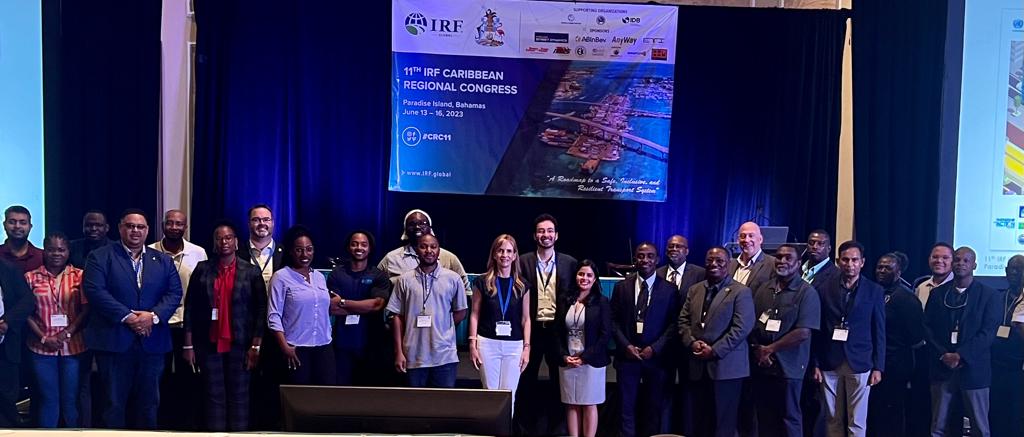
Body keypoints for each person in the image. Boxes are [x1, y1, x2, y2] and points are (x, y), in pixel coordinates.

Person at [82, 209, 183, 429]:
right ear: (120, 228)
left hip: (152, 344)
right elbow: (95, 291)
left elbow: (174, 293)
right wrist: (128, 317)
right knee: (113, 405)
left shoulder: (162, 260)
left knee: (149, 404)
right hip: (114, 342)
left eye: (140, 227)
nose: (135, 231)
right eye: (130, 226)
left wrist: (152, 317)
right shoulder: (100, 256)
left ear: (147, 230)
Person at [182, 221, 267, 431]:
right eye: (219, 238)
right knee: (213, 396)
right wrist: (188, 345)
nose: (224, 242)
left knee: (240, 397)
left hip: (241, 344)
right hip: (208, 343)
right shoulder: (202, 269)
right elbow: (190, 307)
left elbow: (260, 311)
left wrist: (256, 346)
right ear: (214, 243)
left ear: (236, 242)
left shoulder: (251, 271)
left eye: (228, 237)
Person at [923, 247, 999, 437]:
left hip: (974, 369)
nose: (960, 264)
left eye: (966, 261)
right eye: (957, 260)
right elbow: (927, 328)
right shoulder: (938, 294)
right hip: (942, 368)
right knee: (938, 427)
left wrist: (960, 355)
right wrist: (943, 354)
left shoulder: (989, 295)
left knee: (980, 427)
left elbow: (988, 332)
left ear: (974, 265)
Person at [811, 240, 885, 437]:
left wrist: (878, 366)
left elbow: (879, 331)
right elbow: (818, 329)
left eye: (854, 260)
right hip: (829, 360)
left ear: (862, 262)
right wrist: (815, 363)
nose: (850, 264)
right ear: (838, 261)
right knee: (832, 417)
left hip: (860, 361)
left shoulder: (874, 290)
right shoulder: (824, 288)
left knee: (857, 420)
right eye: (845, 260)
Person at [680, 246, 755, 437]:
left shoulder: (741, 292)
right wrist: (692, 342)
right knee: (699, 421)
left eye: (719, 261)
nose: (714, 264)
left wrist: (714, 350)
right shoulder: (695, 289)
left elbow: (742, 328)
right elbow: (683, 320)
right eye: (710, 260)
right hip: (697, 366)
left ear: (728, 264)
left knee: (723, 424)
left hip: (726, 368)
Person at [749, 244, 821, 437]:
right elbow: (752, 323)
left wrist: (770, 349)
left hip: (789, 367)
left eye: (788, 258)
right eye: (779, 257)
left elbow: (803, 332)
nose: (782, 261)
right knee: (764, 417)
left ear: (798, 263)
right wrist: (759, 349)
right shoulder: (764, 288)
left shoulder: (807, 292)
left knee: (789, 418)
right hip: (762, 365)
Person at [517, 213, 578, 435]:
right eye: (541, 231)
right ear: (535, 235)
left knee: (558, 381)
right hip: (531, 330)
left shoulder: (570, 263)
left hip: (557, 331)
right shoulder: (522, 261)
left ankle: (557, 429)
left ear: (557, 235)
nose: (546, 235)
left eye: (550, 231)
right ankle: (525, 428)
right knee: (526, 381)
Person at [611, 242, 679, 437]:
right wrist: (626, 346)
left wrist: (655, 348)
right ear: (635, 259)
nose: (645, 260)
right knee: (625, 408)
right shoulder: (621, 287)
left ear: (657, 260)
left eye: (650, 256)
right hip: (627, 358)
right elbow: (613, 321)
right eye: (641, 256)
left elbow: (673, 324)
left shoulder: (670, 290)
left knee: (653, 408)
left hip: (656, 360)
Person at [149, 209, 207, 430]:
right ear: (162, 225)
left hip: (187, 325)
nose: (174, 227)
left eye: (179, 224)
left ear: (186, 227)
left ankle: (186, 426)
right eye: (170, 223)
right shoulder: (150, 251)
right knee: (158, 376)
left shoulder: (198, 252)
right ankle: (160, 424)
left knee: (188, 378)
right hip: (158, 323)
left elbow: (203, 290)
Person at [25, 232, 89, 427]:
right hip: (41, 348)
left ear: (68, 251)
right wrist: (44, 338)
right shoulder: (30, 277)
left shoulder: (80, 275)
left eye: (61, 250)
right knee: (48, 399)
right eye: (51, 250)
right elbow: (25, 313)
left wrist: (67, 333)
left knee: (70, 400)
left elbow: (86, 310)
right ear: (44, 251)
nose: (56, 254)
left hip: (73, 347)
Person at [387, 233, 468, 388]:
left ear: (439, 251)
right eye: (423, 247)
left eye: (433, 247)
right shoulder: (404, 280)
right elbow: (397, 316)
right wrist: (399, 352)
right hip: (413, 356)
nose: (428, 250)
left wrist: (442, 326)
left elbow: (461, 312)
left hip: (444, 357)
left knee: (443, 401)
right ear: (417, 250)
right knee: (415, 402)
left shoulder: (453, 278)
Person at [468, 234, 531, 415]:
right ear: (494, 254)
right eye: (500, 251)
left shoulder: (522, 285)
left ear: (514, 255)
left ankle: (505, 428)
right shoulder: (482, 282)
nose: (505, 255)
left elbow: (526, 319)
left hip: (514, 346)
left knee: (509, 394)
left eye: (509, 251)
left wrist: (527, 348)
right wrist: (472, 344)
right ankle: (490, 428)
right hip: (487, 344)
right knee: (490, 393)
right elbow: (474, 314)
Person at [866, 252, 925, 437]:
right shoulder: (871, 291)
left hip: (896, 364)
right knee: (874, 411)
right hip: (872, 361)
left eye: (888, 268)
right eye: (879, 267)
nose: (882, 271)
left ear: (898, 272)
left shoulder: (906, 298)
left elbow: (916, 336)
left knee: (891, 413)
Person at [267, 225, 334, 385]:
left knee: (326, 394)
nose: (305, 254)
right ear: (291, 251)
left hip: (323, 346)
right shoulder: (281, 277)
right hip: (296, 349)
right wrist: (285, 347)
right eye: (299, 250)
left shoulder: (319, 276)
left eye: (309, 249)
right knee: (299, 396)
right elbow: (273, 316)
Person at [237, 203, 285, 429]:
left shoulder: (286, 253)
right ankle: (250, 425)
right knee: (247, 380)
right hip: (245, 327)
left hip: (279, 328)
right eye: (256, 219)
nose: (261, 224)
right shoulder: (237, 252)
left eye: (266, 220)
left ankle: (273, 425)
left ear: (273, 223)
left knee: (275, 379)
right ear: (249, 224)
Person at [326, 230, 391, 385]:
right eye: (354, 244)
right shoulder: (336, 274)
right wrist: (364, 306)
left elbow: (376, 305)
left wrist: (343, 302)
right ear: (348, 247)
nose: (359, 248)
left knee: (369, 391)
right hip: (342, 343)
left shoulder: (379, 275)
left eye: (363, 244)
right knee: (342, 390)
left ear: (370, 248)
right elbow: (332, 308)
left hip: (371, 344)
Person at [656, 234, 704, 436]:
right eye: (671, 246)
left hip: (689, 343)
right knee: (662, 391)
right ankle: (662, 433)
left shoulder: (700, 273)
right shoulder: (657, 273)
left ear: (687, 251)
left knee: (688, 393)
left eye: (679, 246)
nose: (674, 249)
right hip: (662, 344)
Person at [557, 260, 611, 437]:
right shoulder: (565, 300)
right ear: (576, 276)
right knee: (571, 402)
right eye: (581, 274)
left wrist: (584, 357)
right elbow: (556, 332)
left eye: (589, 275)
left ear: (595, 279)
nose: (584, 278)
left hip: (590, 362)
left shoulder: (602, 302)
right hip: (569, 361)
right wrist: (564, 356)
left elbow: (605, 335)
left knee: (589, 403)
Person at [908, 243, 954, 437]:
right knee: (922, 404)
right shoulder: (921, 287)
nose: (939, 261)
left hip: (945, 356)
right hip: (922, 353)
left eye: (945, 258)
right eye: (935, 257)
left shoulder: (958, 287)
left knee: (944, 411)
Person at [800, 229, 837, 437]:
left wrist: (817, 360)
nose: (815, 247)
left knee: (814, 406)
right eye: (811, 243)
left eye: (820, 243)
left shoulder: (834, 275)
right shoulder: (798, 268)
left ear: (829, 248)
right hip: (793, 347)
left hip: (817, 346)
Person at [378, 209, 470, 291]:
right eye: (412, 224)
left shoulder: (448, 258)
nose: (417, 227)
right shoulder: (392, 258)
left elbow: (465, 289)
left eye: (422, 223)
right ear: (405, 229)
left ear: (430, 228)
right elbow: (376, 285)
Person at [990, 255, 1024, 437]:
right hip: (997, 364)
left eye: (1020, 269)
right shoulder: (997, 297)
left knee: (1016, 414)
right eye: (1012, 268)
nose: (1015, 272)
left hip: (1019, 366)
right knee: (997, 412)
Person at [0, 258, 34, 427]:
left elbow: (28, 301)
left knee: (7, 398)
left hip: (5, 346)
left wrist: (7, 321)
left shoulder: (8, 268)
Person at [728, 221, 777, 293]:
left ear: (760, 239)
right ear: (738, 240)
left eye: (751, 236)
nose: (746, 240)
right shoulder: (729, 264)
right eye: (743, 236)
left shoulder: (773, 264)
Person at [0, 205, 44, 272]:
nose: (17, 226)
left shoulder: (42, 257)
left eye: (23, 223)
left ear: (30, 227)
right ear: (4, 225)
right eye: (12, 222)